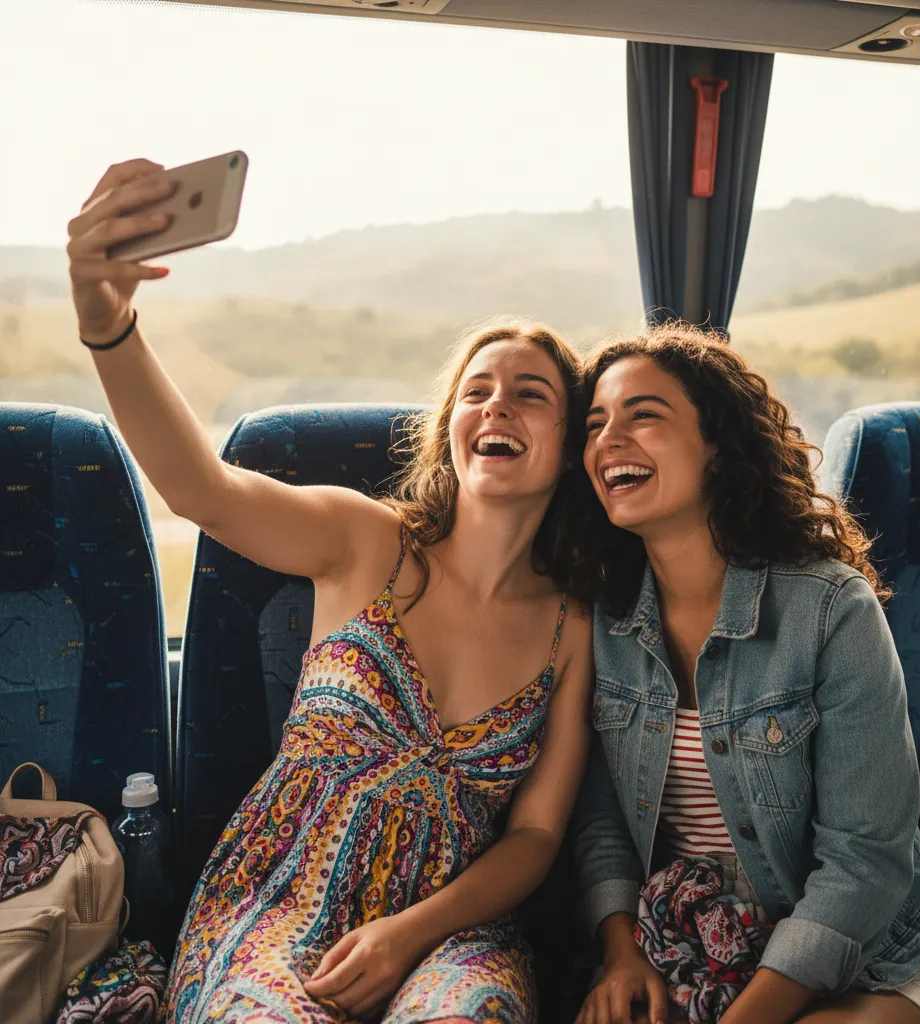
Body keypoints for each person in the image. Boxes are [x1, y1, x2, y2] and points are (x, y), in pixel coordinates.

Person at [66, 159, 594, 1024]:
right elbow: (201, 490)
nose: (498, 406)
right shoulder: (365, 540)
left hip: (452, 930)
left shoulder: (574, 626)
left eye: (531, 395)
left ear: (569, 447)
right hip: (277, 897)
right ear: (451, 427)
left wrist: (410, 933)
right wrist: (109, 323)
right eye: (477, 391)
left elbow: (535, 837)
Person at [570, 324, 920, 1024]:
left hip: (860, 957)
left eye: (643, 414)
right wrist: (621, 955)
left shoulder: (831, 608)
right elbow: (602, 824)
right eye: (595, 423)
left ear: (717, 446)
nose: (609, 439)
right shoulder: (603, 618)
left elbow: (864, 862)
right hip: (680, 944)